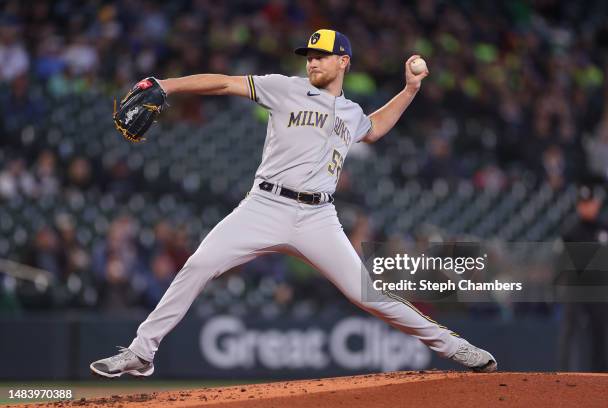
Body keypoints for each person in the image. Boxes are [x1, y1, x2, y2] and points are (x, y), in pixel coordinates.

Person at [90, 29, 496, 378]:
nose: (312, 61)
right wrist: (168, 85)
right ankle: (141, 353)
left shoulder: (351, 112)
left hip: (318, 216)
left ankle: (451, 347)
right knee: (198, 265)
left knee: (367, 294)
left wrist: (409, 90)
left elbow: (373, 129)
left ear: (343, 62)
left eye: (321, 55)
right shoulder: (284, 86)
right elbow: (224, 83)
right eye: (309, 55)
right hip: (264, 206)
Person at [558, 178, 608, 372]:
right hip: (577, 288)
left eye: (589, 203)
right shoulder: (571, 230)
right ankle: (565, 375)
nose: (586, 208)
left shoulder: (606, 228)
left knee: (600, 335)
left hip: (601, 289)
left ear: (597, 204)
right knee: (571, 334)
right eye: (583, 204)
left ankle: (602, 378)